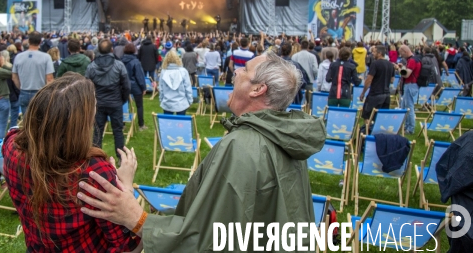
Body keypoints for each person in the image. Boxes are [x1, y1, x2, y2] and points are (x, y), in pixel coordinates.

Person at [76, 51, 326, 252]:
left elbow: (206, 239)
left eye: (245, 69)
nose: (237, 71)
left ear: (257, 89)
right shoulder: (285, 137)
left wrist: (135, 217)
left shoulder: (241, 147)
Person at [2, 75, 142, 252]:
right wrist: (125, 188)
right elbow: (126, 245)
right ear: (82, 123)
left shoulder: (12, 146)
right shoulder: (93, 172)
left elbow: (17, 133)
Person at [86, 39, 131, 159]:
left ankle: (96, 159)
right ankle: (121, 158)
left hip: (103, 103)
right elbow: (126, 86)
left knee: (97, 132)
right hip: (112, 103)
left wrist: (122, 99)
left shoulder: (91, 67)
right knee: (117, 130)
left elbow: (87, 86)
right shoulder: (118, 65)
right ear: (112, 50)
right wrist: (122, 99)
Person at [12, 32, 54, 117]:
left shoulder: (19, 57)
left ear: (29, 41)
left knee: (26, 122)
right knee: (40, 121)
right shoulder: (46, 57)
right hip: (40, 92)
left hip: (24, 91)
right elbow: (49, 79)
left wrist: (21, 87)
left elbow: (14, 77)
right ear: (40, 42)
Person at [360, 45, 396, 120]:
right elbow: (392, 80)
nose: (372, 53)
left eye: (374, 52)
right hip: (386, 94)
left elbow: (369, 79)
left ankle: (368, 130)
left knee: (367, 116)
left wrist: (363, 93)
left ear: (379, 53)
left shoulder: (375, 64)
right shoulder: (390, 64)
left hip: (375, 94)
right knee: (381, 117)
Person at [121, 43, 148, 131]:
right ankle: (141, 125)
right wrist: (143, 87)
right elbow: (140, 76)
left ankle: (122, 124)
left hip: (124, 85)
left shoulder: (121, 61)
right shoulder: (135, 62)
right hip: (134, 85)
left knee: (124, 105)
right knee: (139, 106)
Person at [158, 50, 192, 115]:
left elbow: (161, 88)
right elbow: (188, 88)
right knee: (180, 124)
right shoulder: (183, 71)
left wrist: (161, 99)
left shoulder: (163, 72)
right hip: (181, 103)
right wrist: (189, 100)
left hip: (167, 103)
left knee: (168, 124)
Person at [395, 45, 420, 134]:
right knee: (406, 106)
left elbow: (406, 74)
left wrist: (399, 69)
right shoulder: (414, 59)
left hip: (410, 85)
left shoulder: (412, 60)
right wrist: (403, 67)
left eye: (401, 53)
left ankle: (410, 129)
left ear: (404, 51)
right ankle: (406, 127)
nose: (400, 55)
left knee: (409, 107)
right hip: (411, 84)